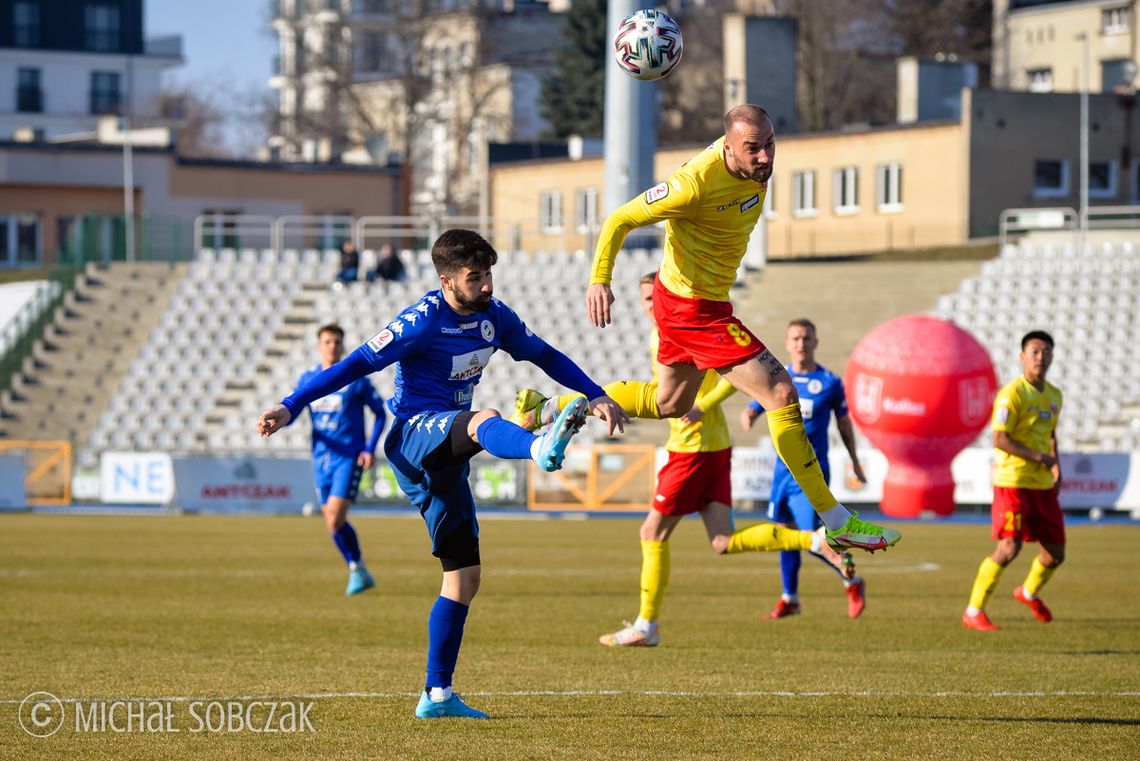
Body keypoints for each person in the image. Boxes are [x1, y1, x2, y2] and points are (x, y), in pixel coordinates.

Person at [257, 228, 628, 719]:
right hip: (413, 436)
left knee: (464, 578)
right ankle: (539, 447)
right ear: (447, 281)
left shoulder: (495, 317)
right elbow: (354, 365)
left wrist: (596, 391)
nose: (487, 285)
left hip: (446, 456)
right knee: (483, 418)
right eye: (476, 277)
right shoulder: (420, 322)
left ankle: (437, 696)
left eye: (489, 274)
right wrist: (290, 404)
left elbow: (547, 356)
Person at [540, 103, 899, 553]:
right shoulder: (691, 185)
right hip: (695, 308)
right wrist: (600, 280)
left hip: (692, 302)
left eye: (770, 145)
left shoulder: (754, 169)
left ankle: (555, 406)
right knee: (781, 393)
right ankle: (837, 520)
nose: (765, 157)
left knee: (669, 402)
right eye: (753, 149)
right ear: (727, 146)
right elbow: (619, 219)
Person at [513, 273, 849, 647]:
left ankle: (647, 625)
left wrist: (701, 405)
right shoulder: (672, 333)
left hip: (691, 450)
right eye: (643, 300)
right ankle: (813, 541)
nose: (649, 306)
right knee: (723, 540)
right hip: (714, 448)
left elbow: (727, 377)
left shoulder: (676, 332)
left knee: (651, 533)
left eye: (652, 297)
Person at [739, 319, 868, 620]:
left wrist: (855, 459)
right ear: (787, 343)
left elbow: (844, 424)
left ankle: (851, 579)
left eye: (806, 338)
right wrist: (749, 412)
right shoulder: (778, 376)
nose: (801, 343)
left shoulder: (830, 382)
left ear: (815, 342)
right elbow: (759, 400)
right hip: (782, 473)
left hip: (811, 472)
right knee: (785, 535)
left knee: (809, 535)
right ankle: (790, 597)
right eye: (796, 338)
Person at [963, 330, 1064, 631]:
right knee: (1009, 548)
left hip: (1041, 484)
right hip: (1013, 482)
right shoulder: (1012, 394)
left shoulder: (1055, 395)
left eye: (1045, 351)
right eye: (1034, 351)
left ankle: (1028, 592)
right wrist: (1039, 458)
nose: (1040, 357)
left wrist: (1057, 468)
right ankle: (973, 610)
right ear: (1022, 357)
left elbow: (1051, 435)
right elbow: (999, 439)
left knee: (1056, 552)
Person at [288, 323, 387, 596]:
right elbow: (294, 411)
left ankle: (357, 568)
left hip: (348, 457)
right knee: (332, 521)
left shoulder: (356, 379)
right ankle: (357, 568)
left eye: (337, 342)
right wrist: (278, 421)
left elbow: (380, 413)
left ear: (343, 346)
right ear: (319, 346)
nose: (332, 346)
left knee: (334, 519)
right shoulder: (308, 377)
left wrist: (369, 448)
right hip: (321, 459)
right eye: (327, 342)